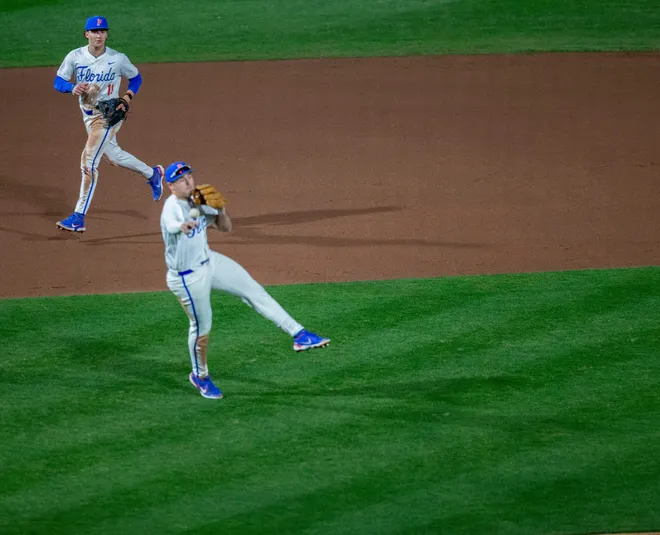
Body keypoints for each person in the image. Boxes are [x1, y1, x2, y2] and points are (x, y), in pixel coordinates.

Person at [160, 161, 330, 399]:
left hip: (209, 261)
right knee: (202, 329)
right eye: (180, 180)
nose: (188, 182)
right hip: (187, 279)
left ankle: (299, 335)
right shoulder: (172, 207)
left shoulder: (197, 201)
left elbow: (226, 228)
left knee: (254, 290)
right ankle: (200, 376)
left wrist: (220, 210)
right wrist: (186, 222)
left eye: (189, 176)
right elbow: (175, 225)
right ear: (170, 186)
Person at [53, 16, 164, 233]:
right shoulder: (75, 56)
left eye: (103, 31)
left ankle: (78, 217)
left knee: (88, 162)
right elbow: (58, 81)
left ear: (106, 34)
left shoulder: (117, 58)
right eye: (94, 31)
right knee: (113, 156)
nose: (99, 35)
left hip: (108, 117)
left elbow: (136, 78)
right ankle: (153, 174)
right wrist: (71, 88)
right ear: (86, 34)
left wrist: (127, 97)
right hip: (88, 115)